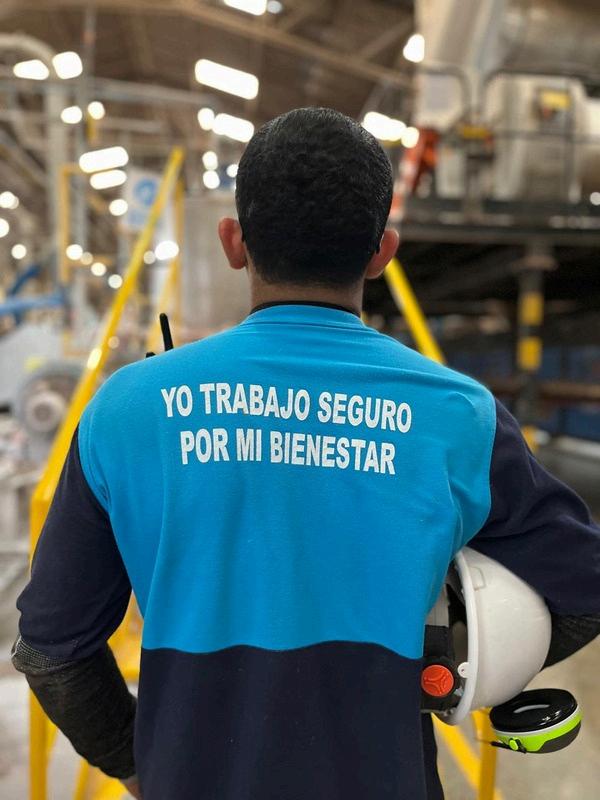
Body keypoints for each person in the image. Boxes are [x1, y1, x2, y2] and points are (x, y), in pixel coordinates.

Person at [13, 108, 600, 800]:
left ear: (234, 242)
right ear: (383, 252)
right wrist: (469, 665)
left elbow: (51, 649)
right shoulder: (458, 415)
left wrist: (138, 764)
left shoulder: (127, 409)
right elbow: (582, 587)